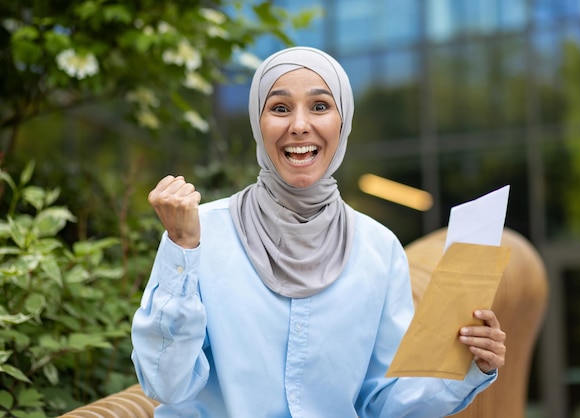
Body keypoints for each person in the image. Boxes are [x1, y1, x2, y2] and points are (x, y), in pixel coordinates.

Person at [130, 46, 506, 418]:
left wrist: (470, 365)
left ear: (343, 123)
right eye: (279, 108)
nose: (299, 125)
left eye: (320, 106)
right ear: (257, 125)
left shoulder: (378, 248)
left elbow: (384, 401)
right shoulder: (200, 233)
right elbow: (165, 383)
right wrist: (181, 247)